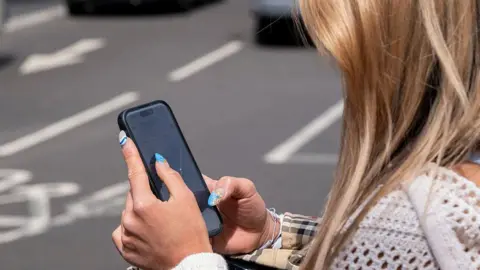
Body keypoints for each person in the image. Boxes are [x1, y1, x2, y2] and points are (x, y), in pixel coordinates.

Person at [112, 0, 480, 269]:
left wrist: (184, 260)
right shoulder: (446, 203)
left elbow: (396, 244)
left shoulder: (417, 214)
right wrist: (275, 235)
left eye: (349, 65)